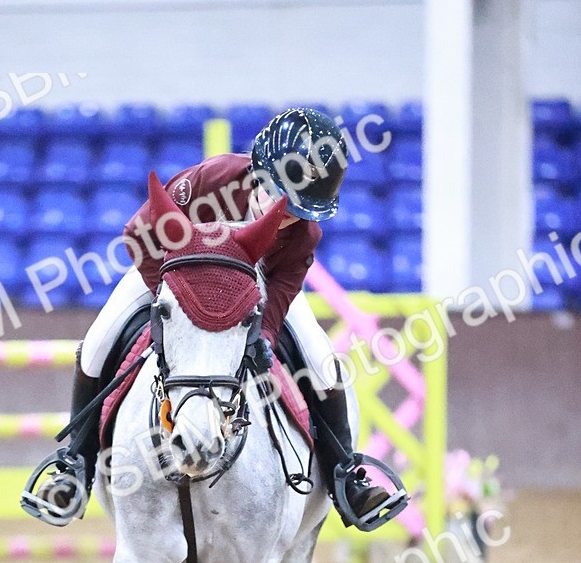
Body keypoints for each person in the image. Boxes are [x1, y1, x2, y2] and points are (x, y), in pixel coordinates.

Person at [35, 106, 404, 529]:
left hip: (255, 288)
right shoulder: (212, 182)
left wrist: (262, 334)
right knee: (98, 343)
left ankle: (346, 474)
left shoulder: (304, 231)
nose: (290, 217)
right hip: (170, 270)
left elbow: (283, 288)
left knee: (323, 361)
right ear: (260, 174)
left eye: (301, 211)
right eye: (283, 201)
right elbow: (140, 234)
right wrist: (173, 297)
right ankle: (75, 465)